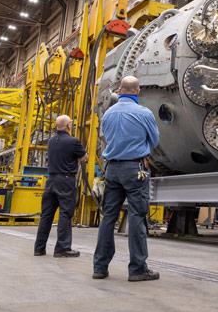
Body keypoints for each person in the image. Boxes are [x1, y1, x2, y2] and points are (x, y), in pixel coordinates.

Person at [93, 76, 161, 282]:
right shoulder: (144, 113)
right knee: (136, 217)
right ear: (138, 91)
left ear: (119, 90)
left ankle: (100, 267)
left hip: (112, 169)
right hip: (136, 169)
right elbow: (155, 141)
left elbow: (105, 137)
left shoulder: (108, 114)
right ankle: (137, 269)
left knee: (108, 218)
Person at [34, 115, 88, 258]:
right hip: (65, 180)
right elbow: (84, 157)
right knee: (65, 213)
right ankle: (62, 248)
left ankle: (39, 248)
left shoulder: (51, 141)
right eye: (70, 123)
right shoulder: (73, 141)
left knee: (46, 215)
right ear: (68, 126)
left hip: (50, 180)